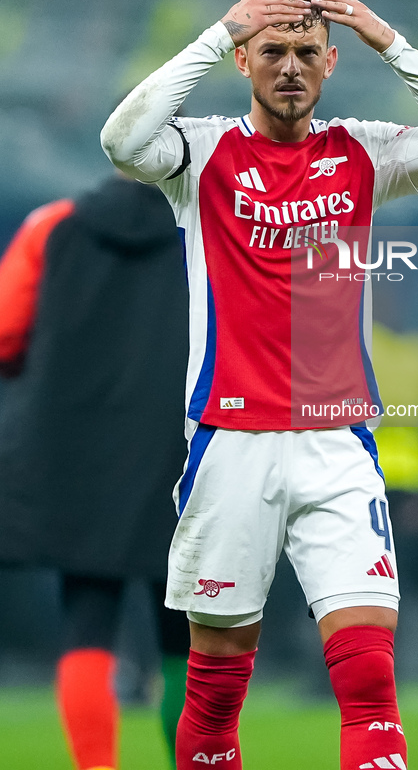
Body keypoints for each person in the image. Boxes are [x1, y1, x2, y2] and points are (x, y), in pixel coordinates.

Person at [100, 0, 418, 770]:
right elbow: (122, 142)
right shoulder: (200, 153)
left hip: (337, 443)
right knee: (214, 694)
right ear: (244, 62)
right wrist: (217, 31)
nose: (289, 67)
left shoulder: (362, 152)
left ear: (330, 62)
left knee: (371, 682)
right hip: (229, 442)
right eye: (271, 51)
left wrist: (389, 39)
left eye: (306, 52)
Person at [0, 174, 190, 770]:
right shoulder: (210, 228)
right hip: (180, 449)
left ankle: (95, 767)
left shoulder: (52, 224)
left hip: (74, 449)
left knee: (87, 616)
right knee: (185, 635)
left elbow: (5, 334)